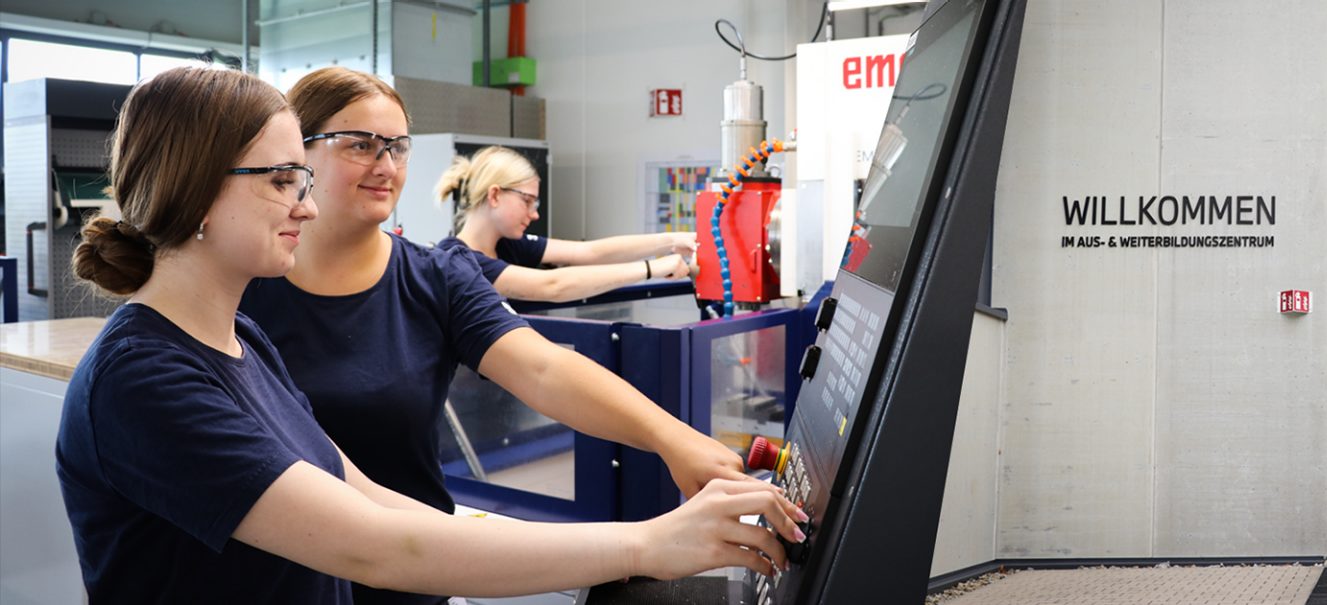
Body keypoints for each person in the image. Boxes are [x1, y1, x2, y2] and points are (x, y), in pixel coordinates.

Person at [56, 67, 803, 603]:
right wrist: (644, 542)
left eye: (398, 147)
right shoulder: (143, 379)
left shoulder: (242, 338)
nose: (305, 207)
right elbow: (372, 546)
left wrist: (617, 532)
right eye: (284, 179)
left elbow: (382, 503)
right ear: (196, 190)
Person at [236, 66, 751, 605]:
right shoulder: (241, 283)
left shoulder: (435, 278)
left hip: (415, 577)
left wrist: (676, 439)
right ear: (299, 153)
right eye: (361, 145)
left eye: (398, 147)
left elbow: (544, 368)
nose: (385, 166)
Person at [432, 145, 695, 302]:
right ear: (495, 195)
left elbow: (590, 252)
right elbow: (553, 286)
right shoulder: (457, 259)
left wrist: (672, 240)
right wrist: (652, 268)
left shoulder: (507, 245)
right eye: (527, 201)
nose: (534, 214)